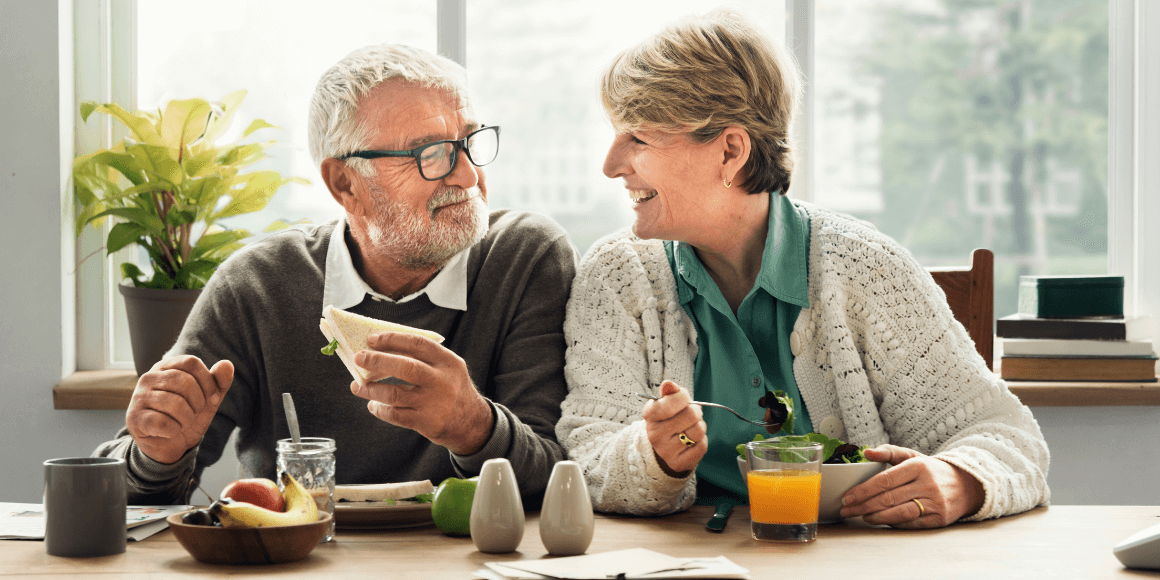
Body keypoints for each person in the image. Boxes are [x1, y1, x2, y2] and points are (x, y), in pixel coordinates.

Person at [558, 9, 1050, 528]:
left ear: (730, 150)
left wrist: (962, 479)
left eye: (637, 138)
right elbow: (585, 454)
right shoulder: (617, 276)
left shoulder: (868, 269)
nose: (611, 164)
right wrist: (653, 456)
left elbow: (1005, 435)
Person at [93, 44, 577, 505]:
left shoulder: (525, 258)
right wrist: (157, 453)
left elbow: (560, 483)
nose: (469, 176)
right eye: (431, 154)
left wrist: (473, 426)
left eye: (470, 142)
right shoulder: (258, 285)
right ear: (345, 183)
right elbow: (118, 496)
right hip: (295, 558)